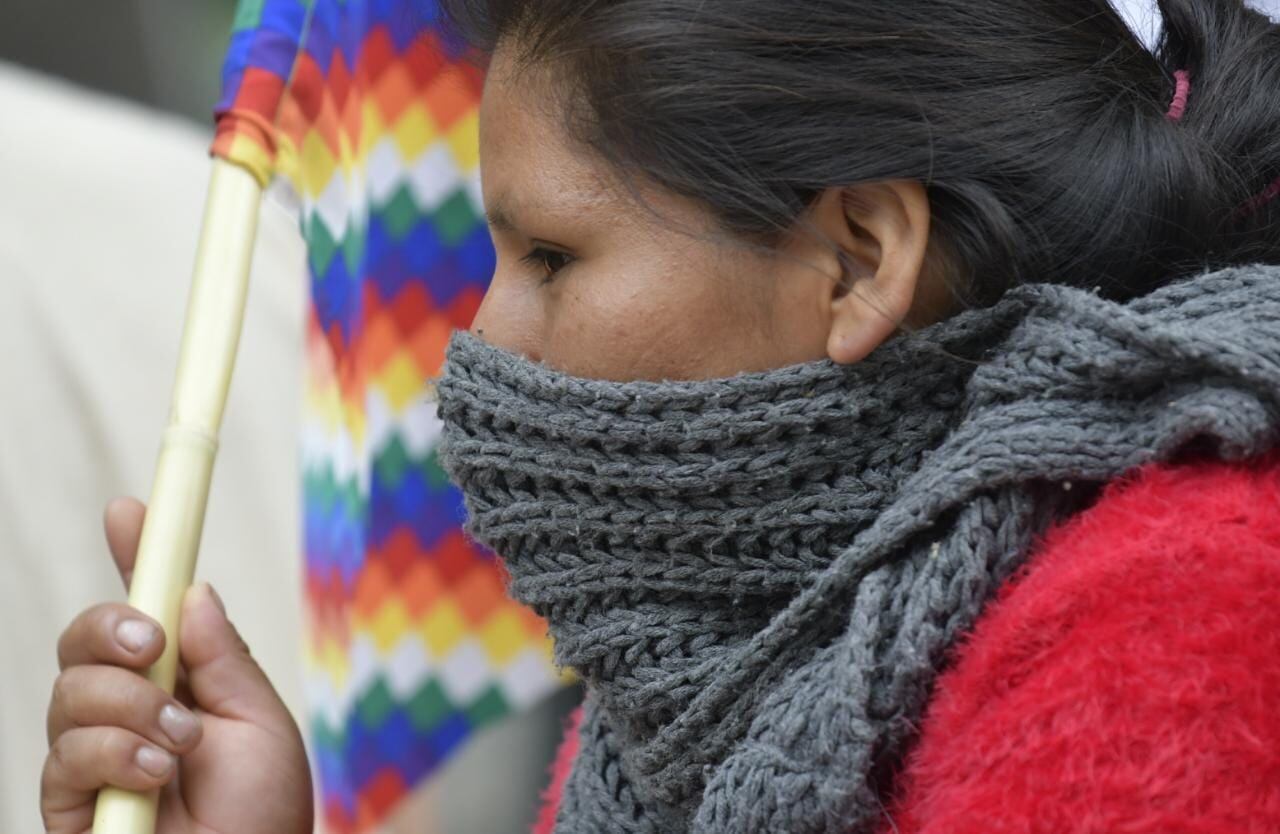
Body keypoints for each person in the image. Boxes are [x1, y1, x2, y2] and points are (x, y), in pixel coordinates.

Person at [41, 0, 1280, 832]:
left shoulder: (1188, 611)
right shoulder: (727, 650)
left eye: (553, 256)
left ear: (856, 259)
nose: (482, 342)